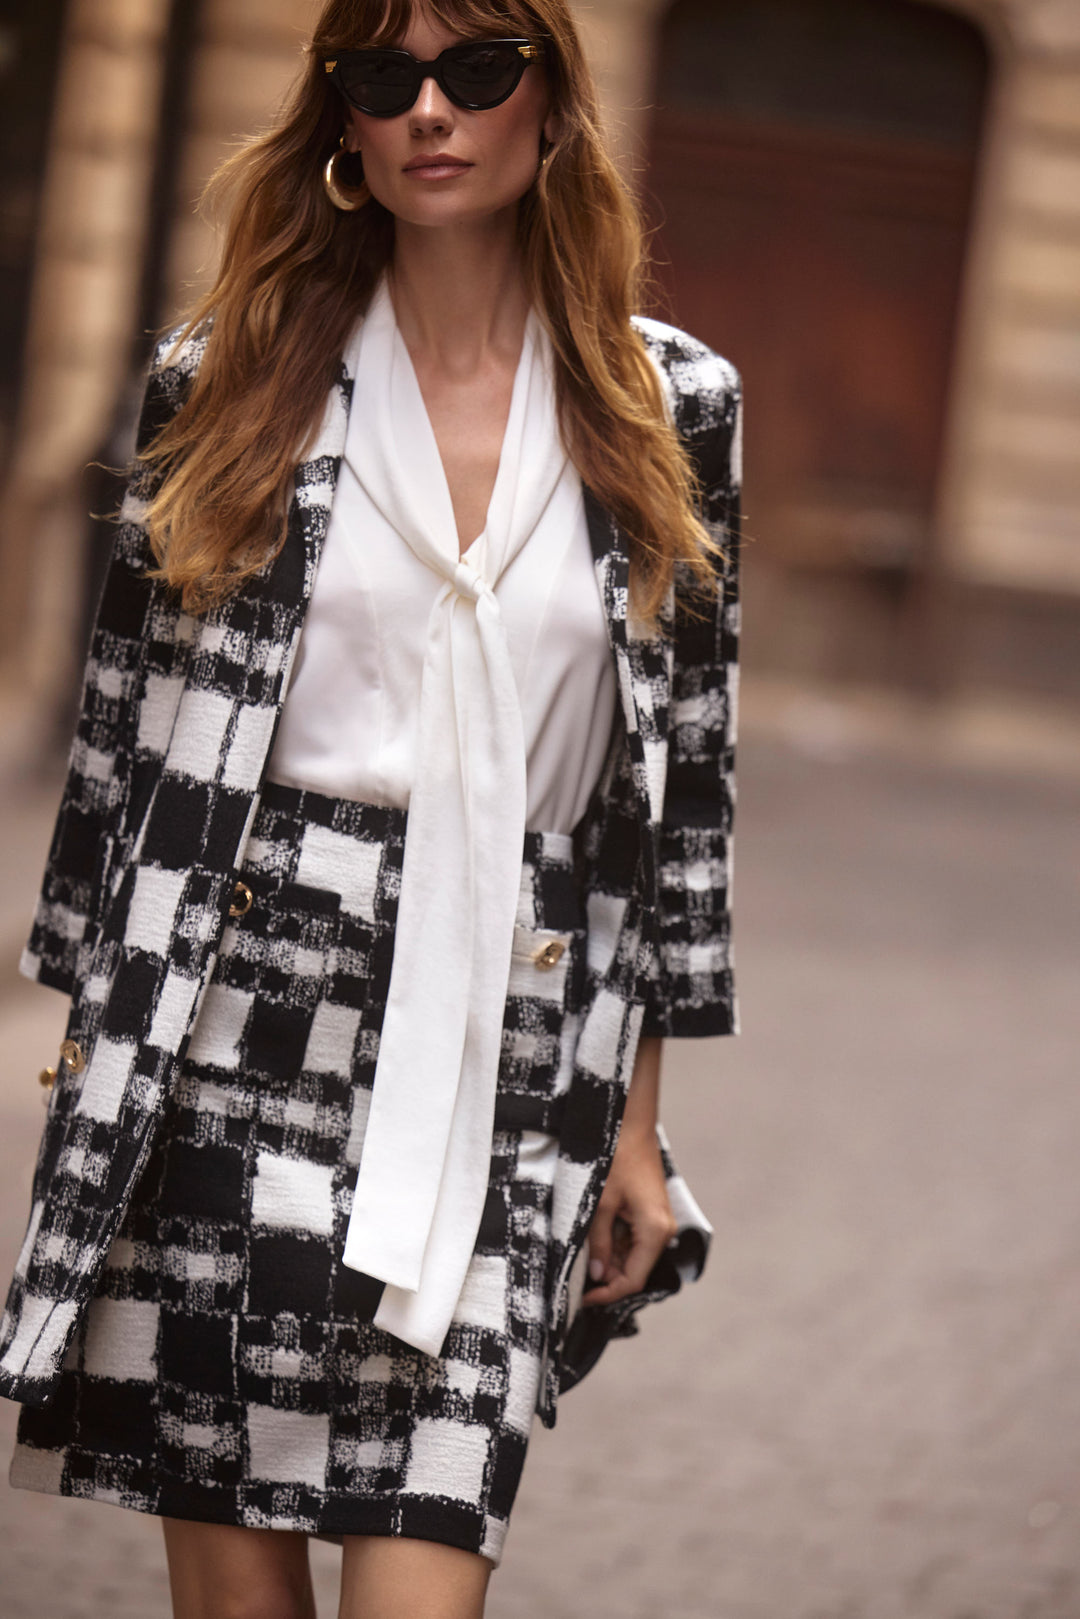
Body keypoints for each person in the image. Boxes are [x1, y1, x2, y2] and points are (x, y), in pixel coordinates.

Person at [0, 1, 741, 1614]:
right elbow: (120, 758)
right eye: (384, 75)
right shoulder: (229, 381)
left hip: (502, 1050)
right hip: (237, 1033)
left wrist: (634, 1122)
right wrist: (97, 1079)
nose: (430, 110)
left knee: (427, 1579)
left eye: (476, 69)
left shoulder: (669, 405)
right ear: (341, 117)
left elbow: (674, 806)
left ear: (553, 102)